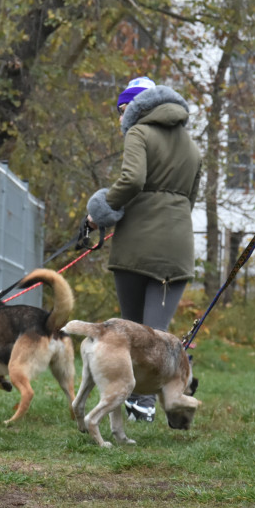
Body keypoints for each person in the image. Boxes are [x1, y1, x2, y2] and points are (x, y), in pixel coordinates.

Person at [85, 76, 203, 423]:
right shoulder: (194, 148)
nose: (122, 118)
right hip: (176, 248)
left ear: (138, 109)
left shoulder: (138, 133)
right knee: (158, 334)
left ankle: (144, 403)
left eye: (124, 110)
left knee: (133, 333)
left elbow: (133, 180)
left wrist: (100, 213)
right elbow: (190, 200)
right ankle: (164, 398)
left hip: (135, 244)